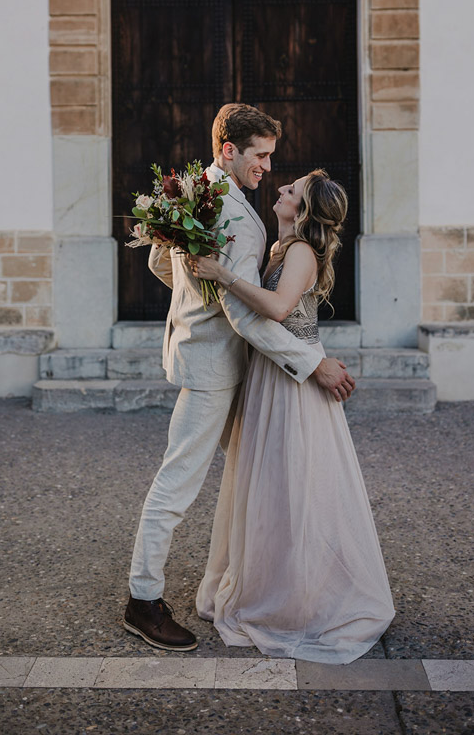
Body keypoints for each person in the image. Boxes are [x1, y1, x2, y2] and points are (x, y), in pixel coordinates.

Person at [124, 104, 356, 652]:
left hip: (219, 362)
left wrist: (194, 299)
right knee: (178, 483)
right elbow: (245, 313)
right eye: (261, 156)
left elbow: (164, 263)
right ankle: (142, 600)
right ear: (229, 150)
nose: (268, 169)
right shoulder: (225, 209)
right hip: (215, 368)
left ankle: (267, 585)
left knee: (256, 481)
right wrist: (312, 363)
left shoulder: (203, 192)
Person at [189, 169, 395, 663]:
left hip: (292, 384)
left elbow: (279, 309)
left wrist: (223, 275)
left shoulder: (300, 251)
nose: (280, 189)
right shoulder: (282, 248)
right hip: (272, 373)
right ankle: (273, 579)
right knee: (271, 483)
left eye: (292, 191)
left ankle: (297, 597)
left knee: (294, 485)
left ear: (302, 211)